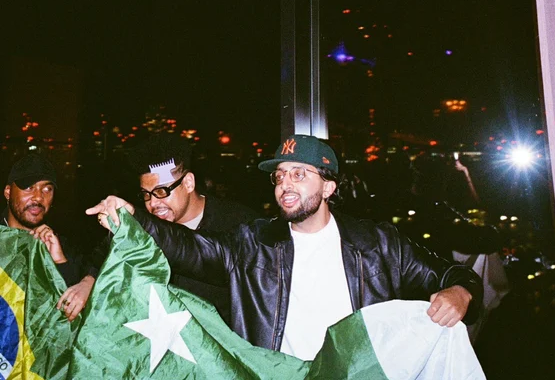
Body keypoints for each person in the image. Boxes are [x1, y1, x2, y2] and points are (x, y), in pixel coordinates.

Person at [88, 134, 483, 360]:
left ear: (328, 186)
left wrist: (461, 292)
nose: (285, 185)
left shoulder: (377, 244)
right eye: (279, 176)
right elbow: (193, 249)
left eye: (299, 174)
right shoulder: (254, 243)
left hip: (356, 379)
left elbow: (455, 274)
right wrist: (136, 220)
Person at [88, 133, 257, 325]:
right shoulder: (146, 223)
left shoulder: (237, 224)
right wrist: (88, 282)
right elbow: (104, 254)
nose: (153, 203)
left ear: (188, 183)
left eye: (161, 191)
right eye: (146, 194)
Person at [2, 153, 94, 321]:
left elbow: (72, 318)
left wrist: (60, 263)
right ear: (8, 192)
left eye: (47, 189)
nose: (38, 197)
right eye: (29, 187)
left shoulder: (62, 247)